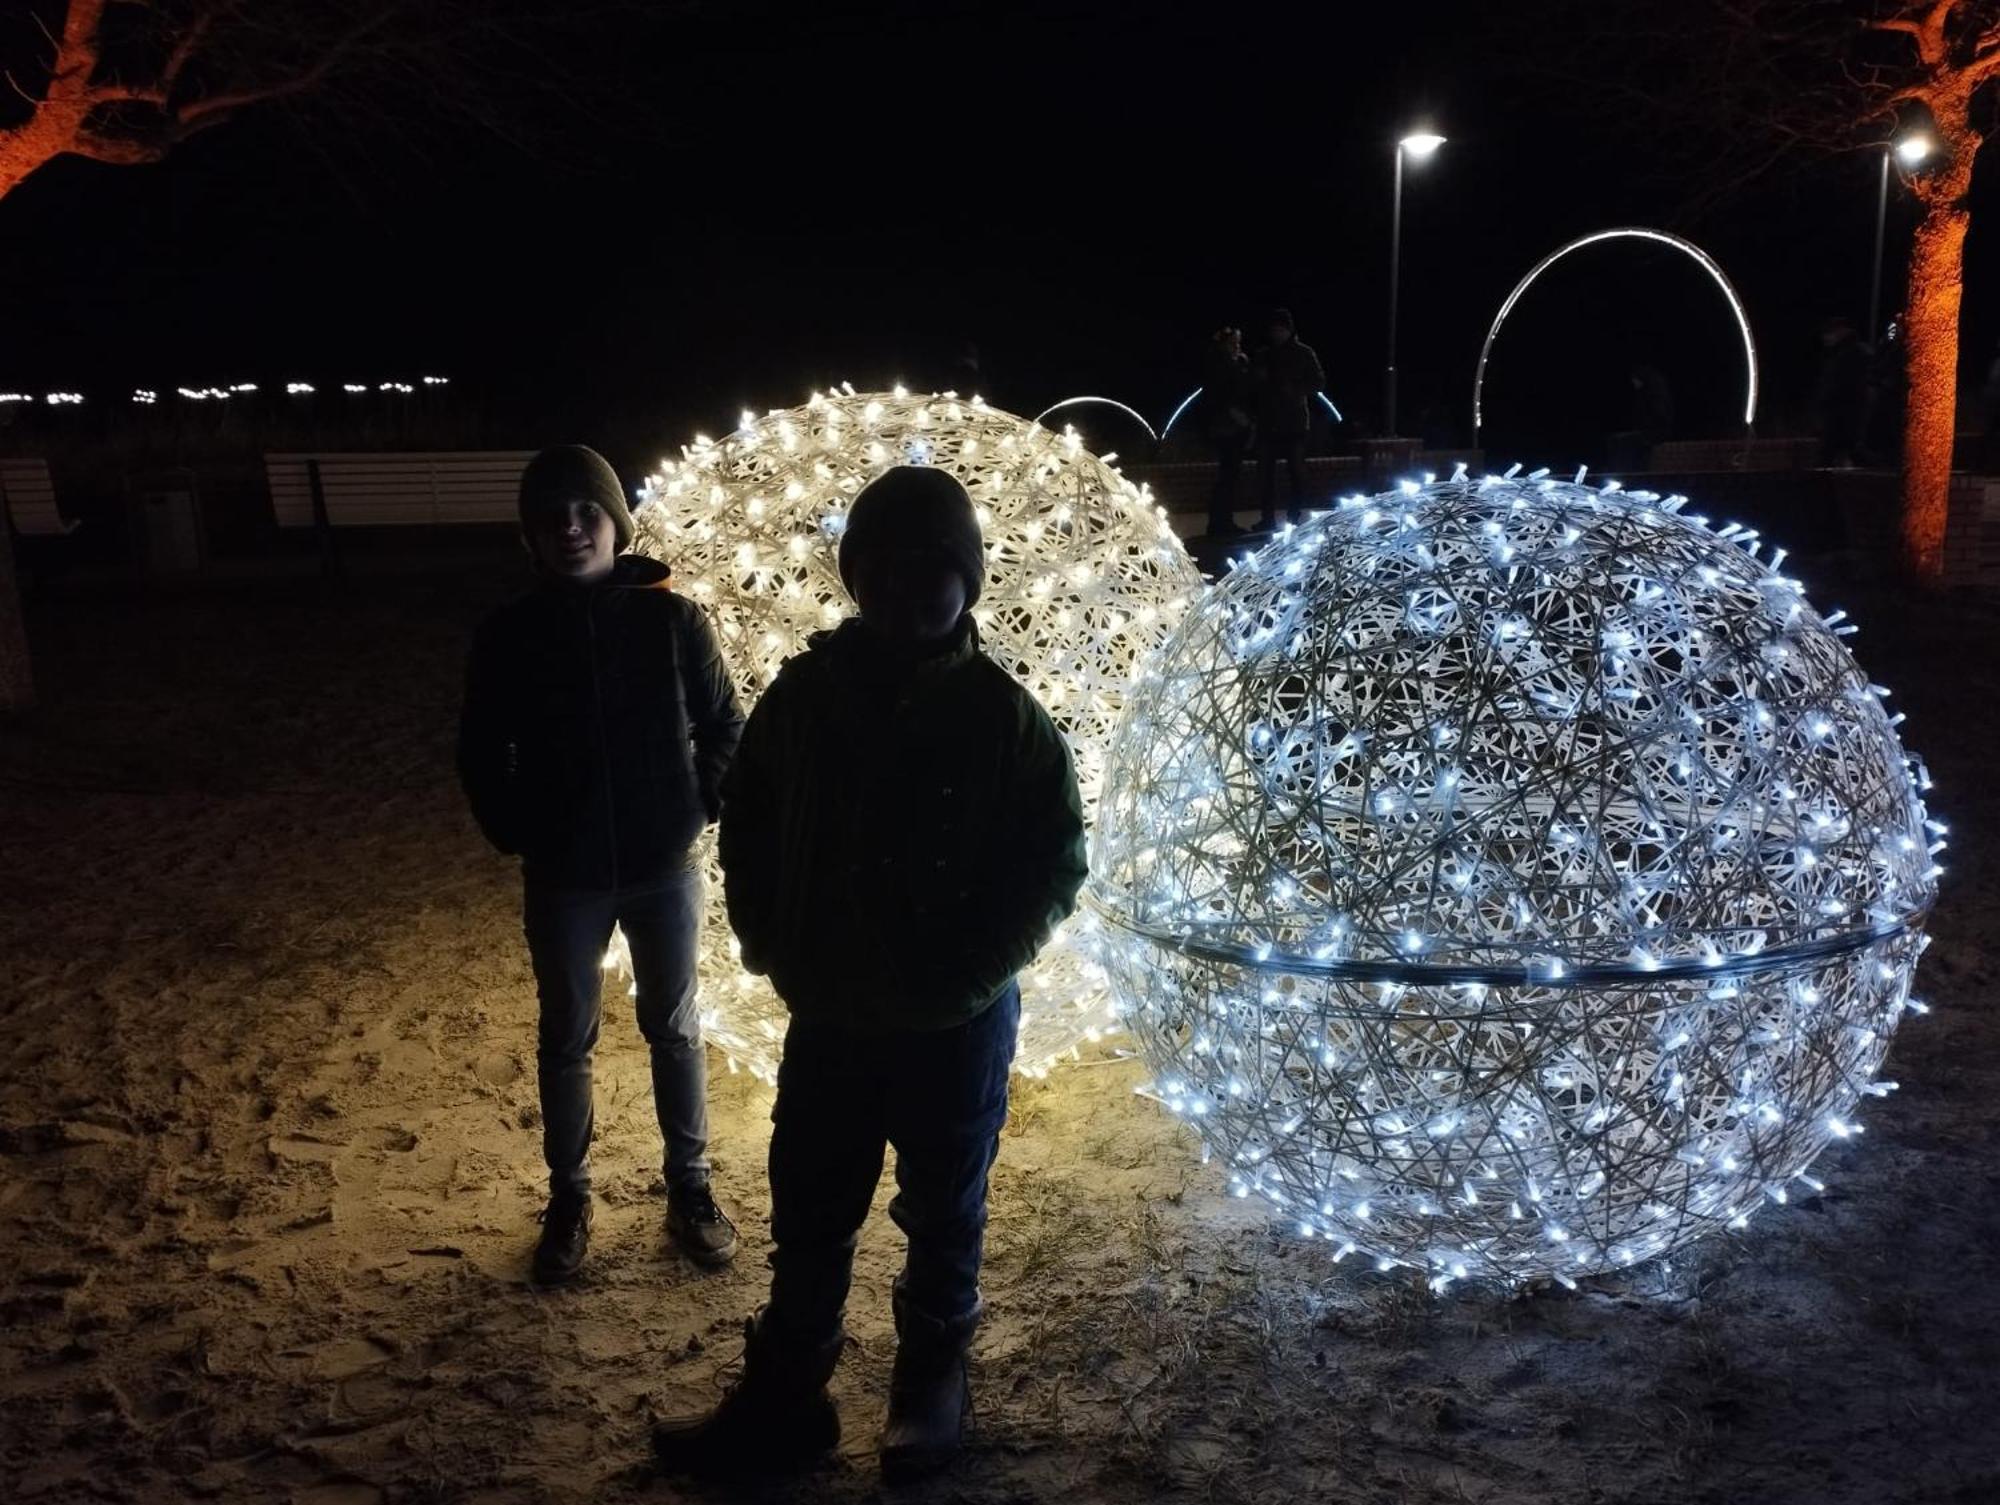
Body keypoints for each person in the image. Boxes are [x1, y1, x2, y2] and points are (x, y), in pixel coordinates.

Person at [653, 466, 1088, 1482]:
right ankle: (787, 1392)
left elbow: (1052, 857)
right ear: (854, 576)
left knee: (944, 1209)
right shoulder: (806, 698)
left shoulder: (1002, 716)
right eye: (880, 568)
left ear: (967, 578)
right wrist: (769, 939)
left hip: (955, 1026)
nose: (904, 590)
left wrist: (975, 971)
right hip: (834, 1010)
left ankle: (929, 1383)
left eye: (930, 568)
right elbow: (748, 815)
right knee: (809, 1202)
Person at [457, 444, 745, 1286]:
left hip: (663, 865)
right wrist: (518, 828)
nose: (571, 526)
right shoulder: (511, 635)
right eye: (552, 516)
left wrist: (698, 805)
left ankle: (690, 1187)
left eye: (586, 510)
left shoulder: (674, 621)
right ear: (531, 537)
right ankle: (570, 1195)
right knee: (566, 1036)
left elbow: (726, 723)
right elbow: (482, 747)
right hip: (565, 875)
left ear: (617, 521)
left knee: (675, 1026)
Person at [1251, 306, 1325, 527]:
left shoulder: (1303, 353)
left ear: (1288, 330)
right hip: (1268, 422)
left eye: (1280, 329)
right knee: (1265, 475)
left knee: (1296, 472)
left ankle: (1294, 515)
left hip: (1293, 423)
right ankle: (1267, 518)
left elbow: (1319, 381)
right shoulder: (1263, 355)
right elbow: (1252, 387)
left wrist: (1295, 389)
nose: (1276, 333)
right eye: (1273, 329)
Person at [1202, 326, 1254, 537]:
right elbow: (1225, 397)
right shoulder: (1222, 366)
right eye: (1234, 343)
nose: (1237, 346)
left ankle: (1222, 521)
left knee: (1229, 475)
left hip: (1228, 426)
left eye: (1238, 342)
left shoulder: (1231, 363)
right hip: (1228, 427)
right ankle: (1221, 523)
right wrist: (1241, 419)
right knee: (1228, 476)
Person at [1814, 316, 1871, 468]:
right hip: (1843, 415)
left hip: (1842, 415)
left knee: (1831, 454)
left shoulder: (1847, 354)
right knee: (1844, 453)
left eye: (1829, 333)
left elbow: (1840, 385)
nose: (1826, 338)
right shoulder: (1846, 352)